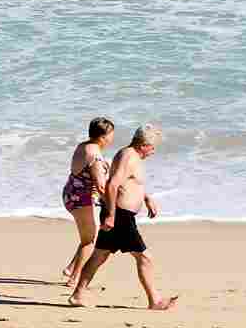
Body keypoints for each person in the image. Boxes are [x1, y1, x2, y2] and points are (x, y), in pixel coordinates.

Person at [71, 124, 176, 311]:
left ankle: (78, 293)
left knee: (99, 255)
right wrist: (111, 215)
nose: (153, 152)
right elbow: (112, 185)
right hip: (119, 215)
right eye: (153, 147)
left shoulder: (131, 156)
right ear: (144, 144)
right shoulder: (129, 156)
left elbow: (130, 184)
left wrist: (146, 198)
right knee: (145, 258)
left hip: (119, 213)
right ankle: (155, 301)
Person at [60, 116, 115, 286]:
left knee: (87, 235)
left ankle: (70, 268)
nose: (112, 138)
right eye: (112, 134)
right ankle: (74, 278)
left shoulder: (83, 146)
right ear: (103, 137)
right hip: (82, 200)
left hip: (70, 194)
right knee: (90, 241)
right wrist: (112, 206)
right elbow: (100, 186)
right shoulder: (96, 156)